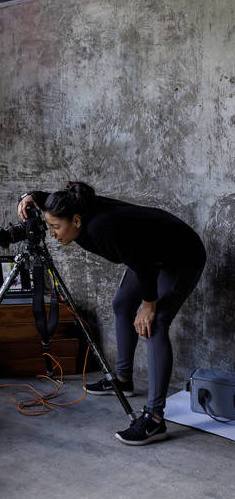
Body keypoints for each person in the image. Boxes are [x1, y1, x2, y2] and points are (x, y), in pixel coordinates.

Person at [18, 182, 206, 445]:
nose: (52, 235)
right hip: (147, 253)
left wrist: (149, 306)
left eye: (56, 228)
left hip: (180, 254)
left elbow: (143, 263)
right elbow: (49, 198)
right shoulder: (73, 204)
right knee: (121, 304)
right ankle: (123, 380)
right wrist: (30, 197)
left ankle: (154, 418)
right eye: (50, 227)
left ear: (76, 221)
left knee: (156, 323)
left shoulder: (100, 228)